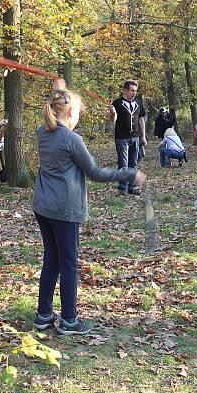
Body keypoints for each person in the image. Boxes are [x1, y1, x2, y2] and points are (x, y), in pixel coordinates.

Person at [32, 88, 146, 334]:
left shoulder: (42, 132)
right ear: (71, 111)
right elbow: (95, 173)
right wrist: (129, 173)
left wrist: (60, 91)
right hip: (63, 210)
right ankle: (70, 320)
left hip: (43, 207)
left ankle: (43, 314)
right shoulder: (71, 140)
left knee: (52, 258)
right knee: (69, 262)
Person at [108, 80, 147, 196]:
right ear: (125, 90)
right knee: (123, 164)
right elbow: (113, 119)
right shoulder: (118, 103)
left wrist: (143, 136)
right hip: (121, 138)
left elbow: (141, 120)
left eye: (135, 91)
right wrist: (113, 113)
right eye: (131, 90)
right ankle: (122, 188)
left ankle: (133, 187)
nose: (134, 93)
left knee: (133, 163)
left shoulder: (138, 103)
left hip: (135, 138)